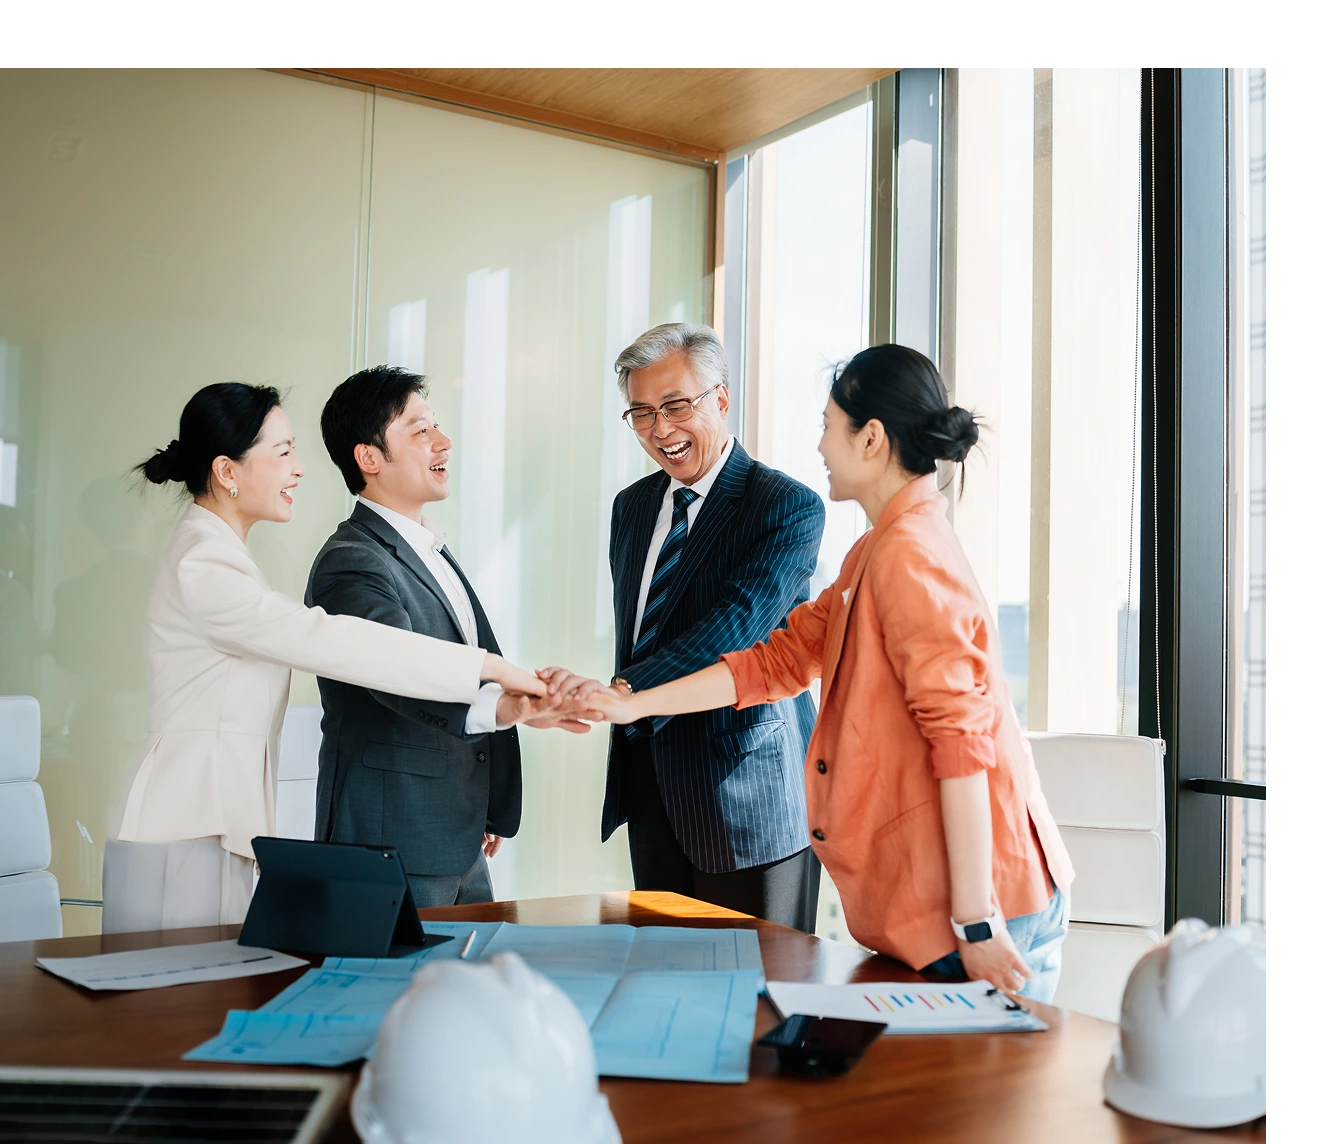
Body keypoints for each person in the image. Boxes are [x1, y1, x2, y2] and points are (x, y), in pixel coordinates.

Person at [574, 344, 1075, 1002]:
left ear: (871, 439)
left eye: (827, 426)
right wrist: (631, 705)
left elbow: (962, 748)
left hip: (979, 912)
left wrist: (977, 923)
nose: (818, 446)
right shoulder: (878, 548)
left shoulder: (910, 557)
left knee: (973, 1104)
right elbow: (778, 661)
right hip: (945, 902)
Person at [103, 382, 546, 934]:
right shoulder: (203, 563)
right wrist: (492, 670)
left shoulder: (219, 553)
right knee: (177, 1008)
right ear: (228, 471)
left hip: (216, 820)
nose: (300, 468)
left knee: (206, 1002)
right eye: (283, 451)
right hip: (187, 819)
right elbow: (332, 639)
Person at [549, 323, 826, 932]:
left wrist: (624, 692)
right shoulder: (634, 506)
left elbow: (737, 626)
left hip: (748, 792)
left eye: (676, 406)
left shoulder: (784, 505)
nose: (661, 429)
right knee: (664, 980)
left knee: (761, 994)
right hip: (651, 781)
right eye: (642, 413)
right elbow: (640, 626)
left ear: (721, 399)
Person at [306, 367, 593, 908]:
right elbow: (397, 674)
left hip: (458, 836)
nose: (444, 442)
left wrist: (489, 806)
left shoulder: (428, 549)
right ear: (368, 458)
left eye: (436, 427)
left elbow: (459, 670)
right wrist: (511, 705)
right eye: (419, 431)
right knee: (391, 993)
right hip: (392, 842)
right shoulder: (351, 562)